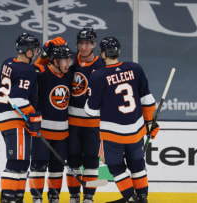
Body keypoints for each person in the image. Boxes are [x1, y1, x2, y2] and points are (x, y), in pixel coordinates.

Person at [84, 36, 160, 203]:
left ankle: (130, 198)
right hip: (136, 131)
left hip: (112, 134)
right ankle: (142, 198)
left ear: (103, 53)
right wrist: (149, 123)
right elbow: (148, 100)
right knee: (138, 164)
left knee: (117, 167)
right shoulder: (135, 68)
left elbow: (90, 111)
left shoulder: (98, 76)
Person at [0, 32, 42, 203]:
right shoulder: (26, 70)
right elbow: (18, 98)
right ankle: (7, 200)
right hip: (14, 120)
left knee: (22, 163)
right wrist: (32, 115)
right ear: (28, 52)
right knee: (16, 161)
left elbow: (4, 87)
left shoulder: (8, 62)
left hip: (4, 117)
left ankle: (17, 199)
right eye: (34, 50)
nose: (35, 53)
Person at [29, 42, 74, 203]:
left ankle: (54, 198)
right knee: (38, 167)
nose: (68, 63)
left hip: (62, 134)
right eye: (65, 60)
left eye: (69, 60)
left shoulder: (68, 74)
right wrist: (43, 55)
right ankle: (36, 199)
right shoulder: (41, 72)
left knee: (57, 168)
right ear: (55, 61)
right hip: (41, 133)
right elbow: (32, 70)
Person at [67, 27, 105, 203]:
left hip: (93, 124)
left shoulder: (101, 65)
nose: (84, 47)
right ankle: (74, 196)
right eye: (81, 43)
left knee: (91, 162)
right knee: (73, 161)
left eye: (88, 43)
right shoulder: (70, 60)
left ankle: (89, 198)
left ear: (94, 44)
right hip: (72, 123)